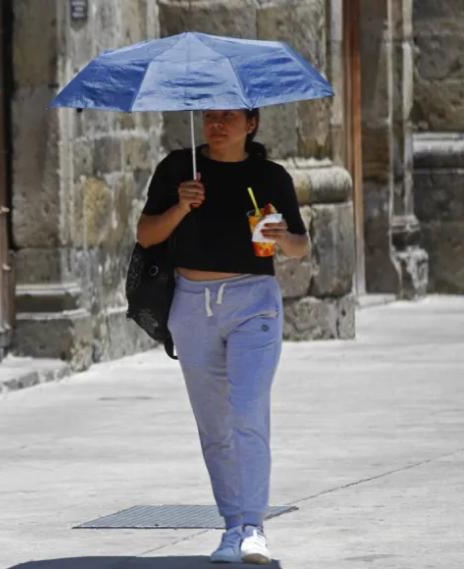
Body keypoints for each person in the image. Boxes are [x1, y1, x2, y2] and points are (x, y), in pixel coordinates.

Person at [136, 108, 310, 565]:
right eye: (210, 115)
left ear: (251, 124)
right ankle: (232, 527)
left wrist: (281, 234)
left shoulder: (270, 176)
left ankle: (255, 527)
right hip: (193, 305)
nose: (216, 124)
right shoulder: (178, 169)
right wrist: (181, 205)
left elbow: (299, 246)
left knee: (248, 412)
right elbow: (146, 234)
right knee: (213, 424)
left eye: (228, 116)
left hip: (253, 302)